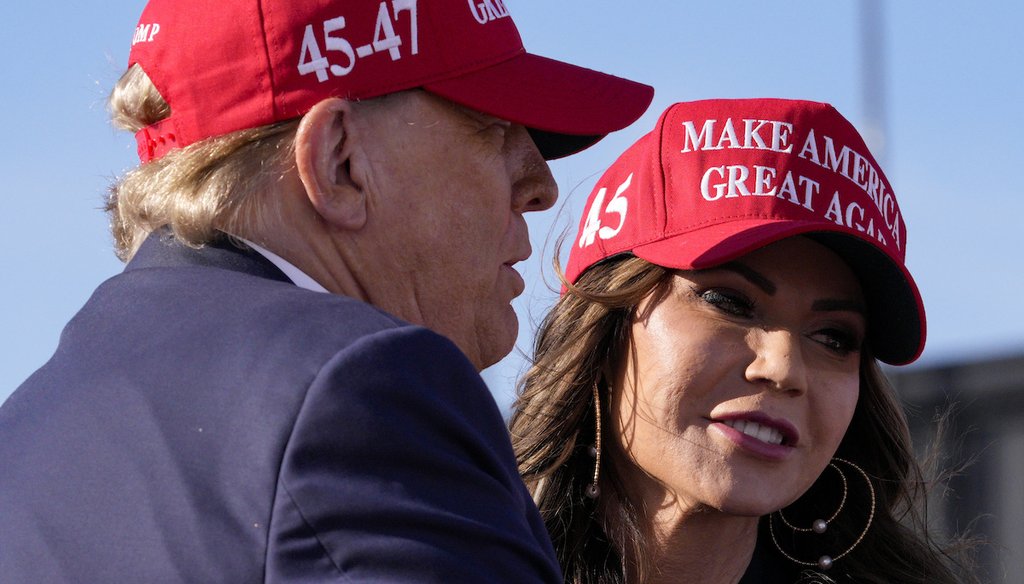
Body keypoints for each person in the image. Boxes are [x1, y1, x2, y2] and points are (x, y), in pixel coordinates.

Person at [0, 0, 653, 582]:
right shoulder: (363, 387)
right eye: (490, 128)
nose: (540, 185)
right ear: (339, 162)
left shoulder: (29, 421)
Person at [511, 99, 976, 583]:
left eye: (834, 337)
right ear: (606, 328)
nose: (783, 367)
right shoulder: (453, 556)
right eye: (729, 302)